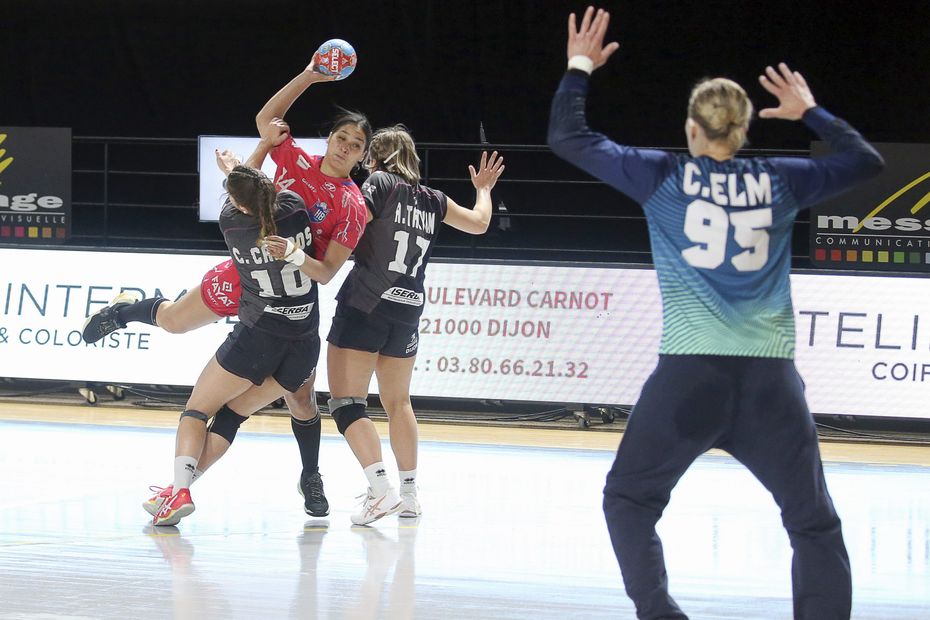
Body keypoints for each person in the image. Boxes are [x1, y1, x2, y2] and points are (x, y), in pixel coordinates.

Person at [547, 7, 884, 620]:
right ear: (747, 128)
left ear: (692, 130)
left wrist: (579, 67)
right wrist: (811, 110)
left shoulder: (662, 176)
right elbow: (866, 163)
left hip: (687, 378)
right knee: (812, 523)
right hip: (770, 385)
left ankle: (661, 613)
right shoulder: (783, 179)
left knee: (629, 499)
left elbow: (569, 139)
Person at [82, 58, 371, 517]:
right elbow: (264, 124)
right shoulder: (294, 158)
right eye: (341, 137)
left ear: (362, 157)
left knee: (302, 396)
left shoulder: (351, 204)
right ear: (330, 139)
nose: (345, 147)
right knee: (175, 322)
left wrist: (293, 251)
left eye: (355, 145)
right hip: (246, 275)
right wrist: (310, 76)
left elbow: (327, 268)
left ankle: (310, 475)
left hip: (290, 295)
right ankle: (123, 312)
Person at [265, 125, 504, 525]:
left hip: (366, 303)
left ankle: (382, 491)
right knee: (399, 403)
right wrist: (483, 188)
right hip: (408, 308)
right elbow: (480, 223)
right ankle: (409, 494)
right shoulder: (435, 200)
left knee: (346, 404)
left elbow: (351, 226)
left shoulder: (379, 183)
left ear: (375, 157)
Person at [153, 134, 321, 526]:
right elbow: (262, 194)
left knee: (197, 411)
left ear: (238, 202)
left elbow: (246, 198)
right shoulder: (295, 209)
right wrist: (239, 171)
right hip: (303, 344)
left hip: (258, 336)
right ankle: (175, 490)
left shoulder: (232, 224)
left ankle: (180, 490)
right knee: (229, 418)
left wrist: (233, 168)